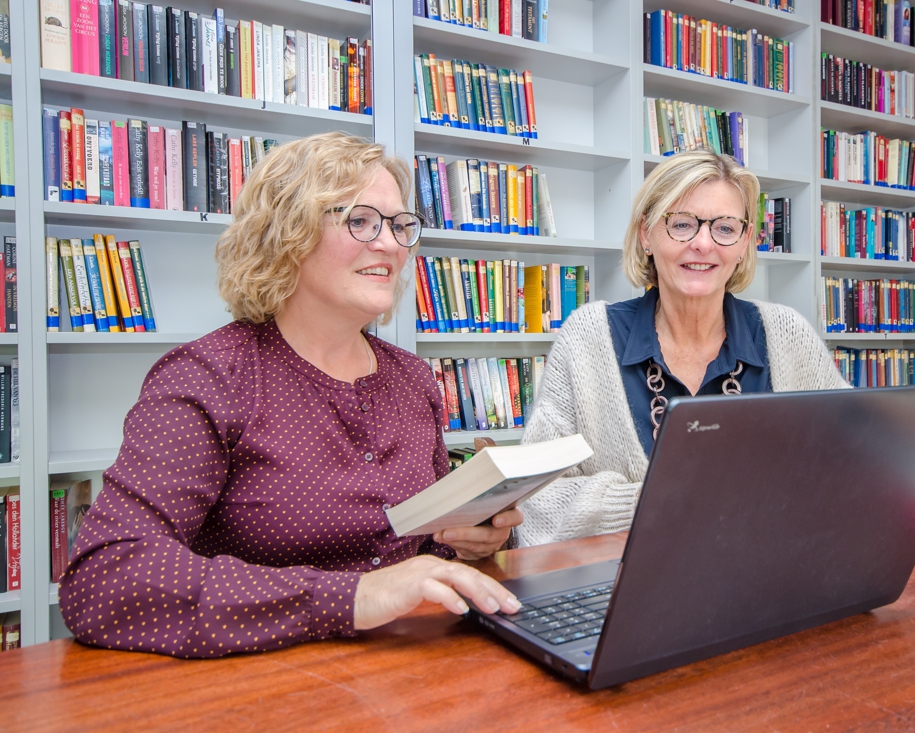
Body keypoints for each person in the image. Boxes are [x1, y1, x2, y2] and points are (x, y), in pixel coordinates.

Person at [59, 132, 522, 658]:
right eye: (361, 220)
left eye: (399, 226)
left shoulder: (412, 378)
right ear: (287, 233)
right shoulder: (209, 377)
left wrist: (473, 539)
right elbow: (104, 577)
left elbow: (421, 549)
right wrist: (352, 597)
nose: (392, 245)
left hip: (410, 661)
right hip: (261, 675)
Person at [517, 150, 848, 547]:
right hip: (621, 581)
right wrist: (655, 503)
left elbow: (852, 465)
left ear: (744, 242)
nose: (703, 244)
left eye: (724, 228)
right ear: (646, 234)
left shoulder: (787, 335)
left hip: (769, 573)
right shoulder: (588, 339)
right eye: (682, 224)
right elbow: (534, 501)